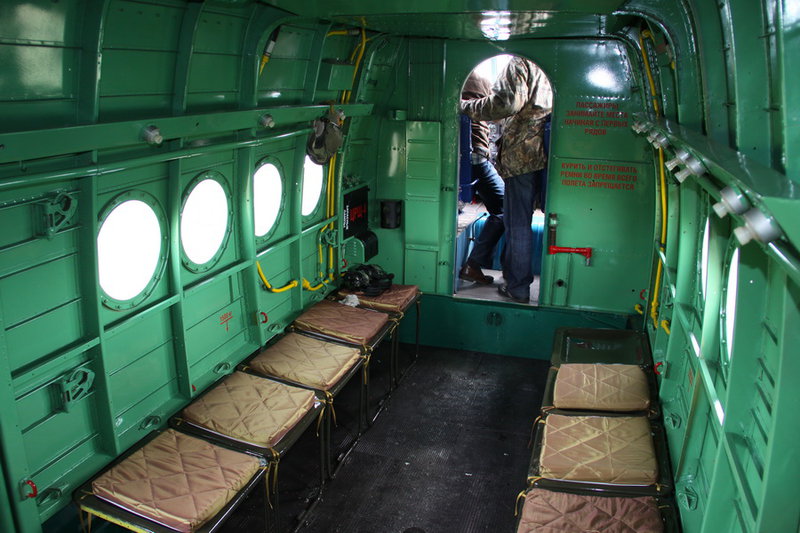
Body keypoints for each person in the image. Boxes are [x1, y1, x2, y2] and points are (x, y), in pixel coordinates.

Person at [460, 56, 552, 303]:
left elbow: (505, 104)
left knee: (517, 223)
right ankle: (505, 276)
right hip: (545, 153)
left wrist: (464, 106)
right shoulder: (546, 65)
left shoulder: (521, 63)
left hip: (522, 155)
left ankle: (517, 286)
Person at [459, 71, 505, 285]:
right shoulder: (482, 81)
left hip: (461, 155)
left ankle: (474, 265)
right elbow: (498, 114)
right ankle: (473, 265)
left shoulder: (453, 80)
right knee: (506, 209)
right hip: (475, 155)